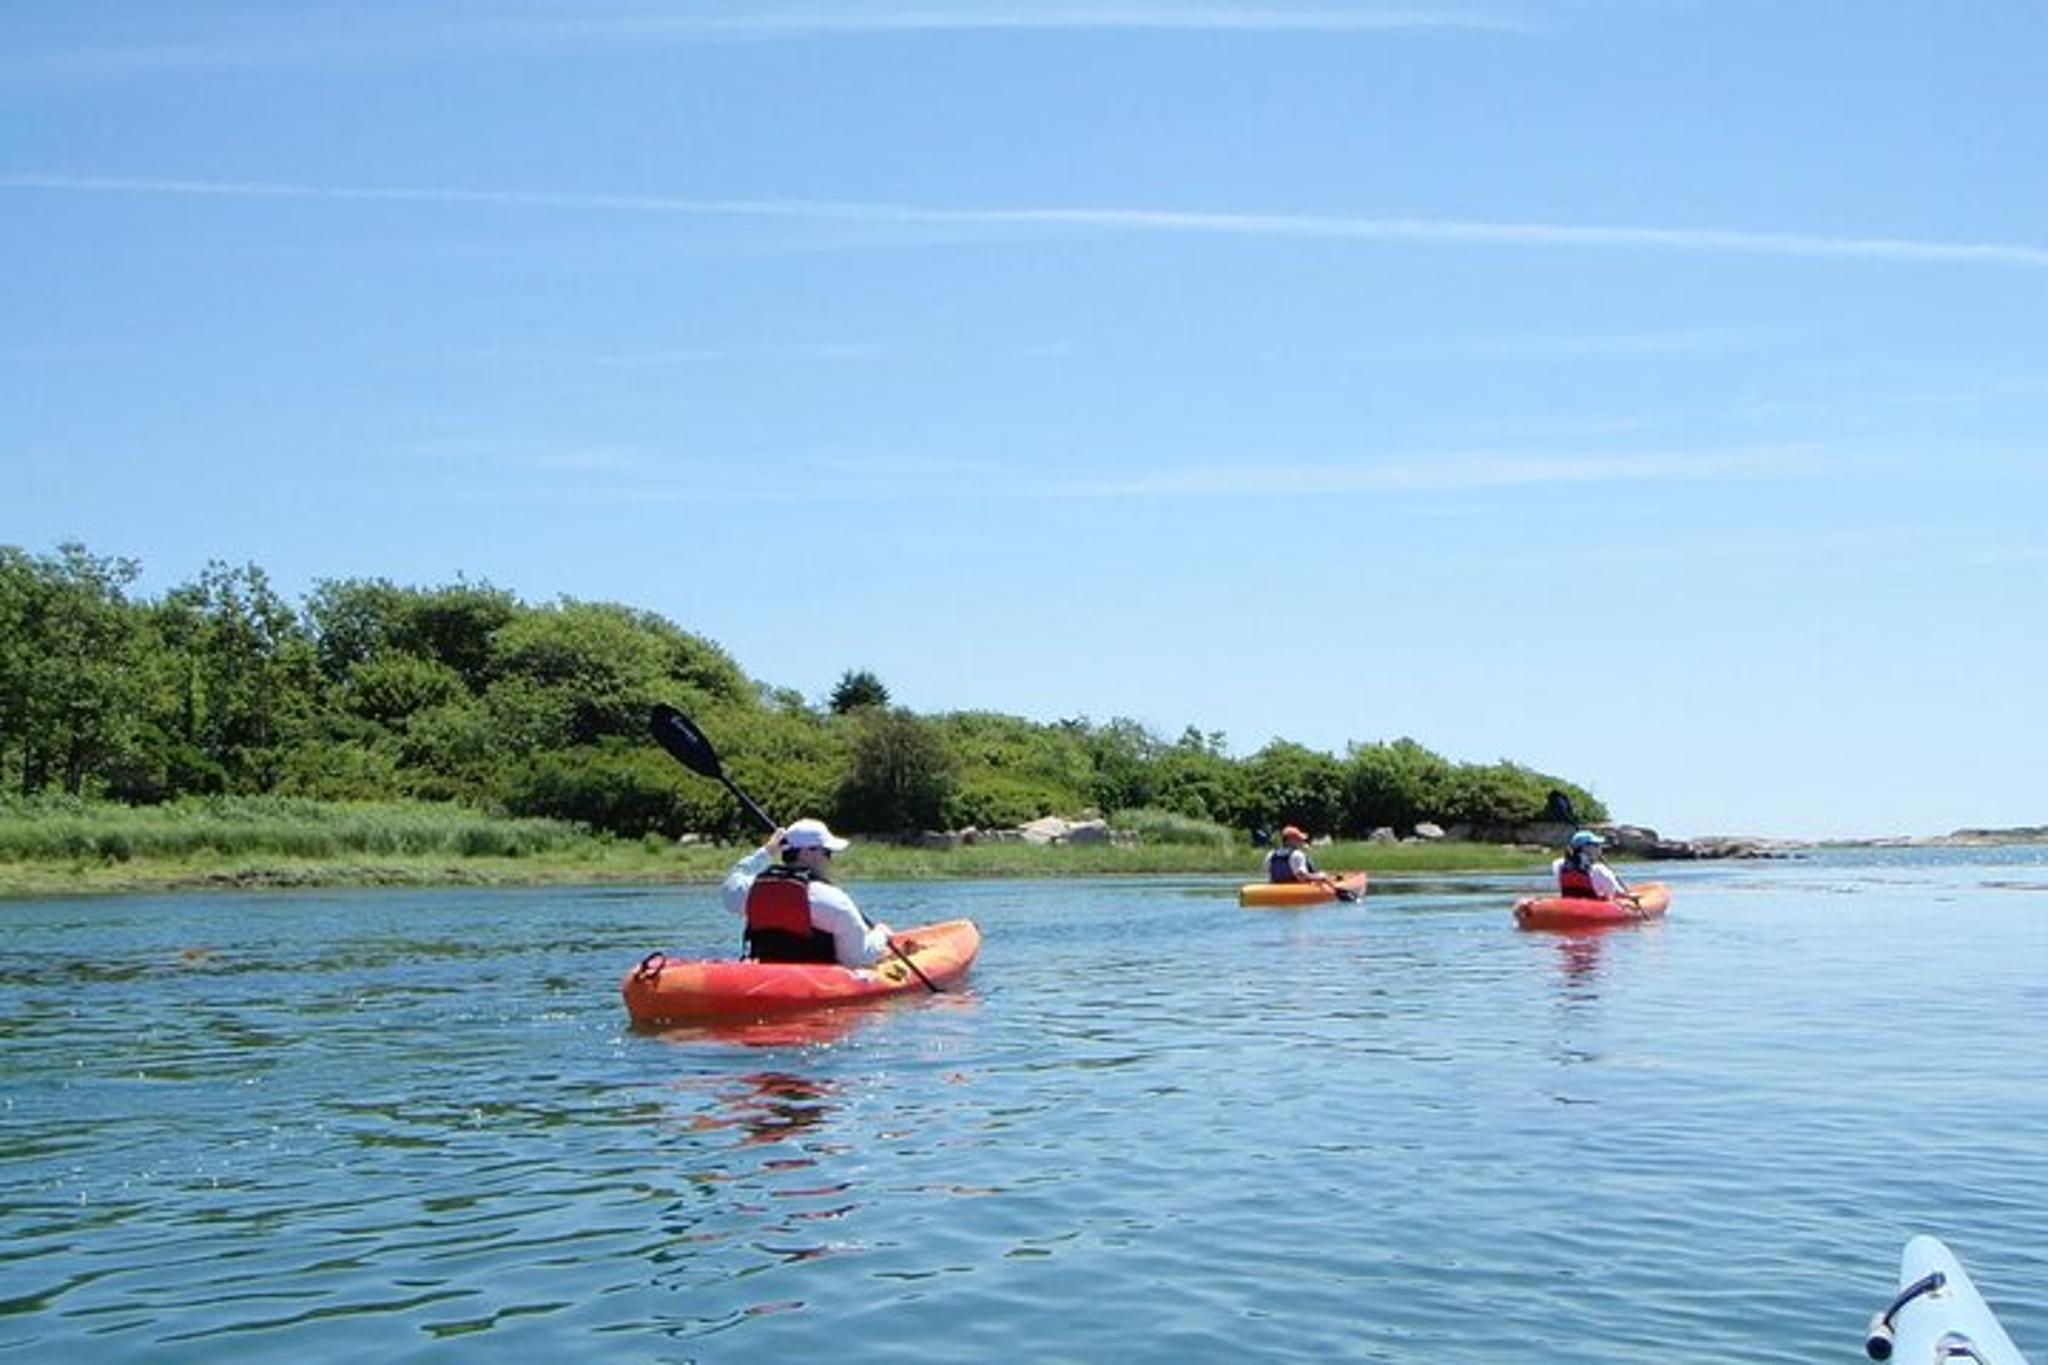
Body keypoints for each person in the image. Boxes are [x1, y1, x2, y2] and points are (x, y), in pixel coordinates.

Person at [720, 817, 895, 967]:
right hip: (819, 982)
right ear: (806, 853)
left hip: (768, 972)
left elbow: (732, 881)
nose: (829, 860)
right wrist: (881, 936)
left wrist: (767, 851)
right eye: (827, 852)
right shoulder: (832, 899)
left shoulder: (753, 890)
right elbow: (857, 958)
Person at [1551, 829, 1637, 904]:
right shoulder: (1599, 869)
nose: (1600, 849)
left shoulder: (1558, 864)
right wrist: (1630, 896)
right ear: (1585, 848)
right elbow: (1616, 894)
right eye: (1596, 845)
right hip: (1595, 908)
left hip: (1569, 905)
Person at [1264, 825, 1337, 887]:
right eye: (1298, 839)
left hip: (1276, 891)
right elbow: (1303, 877)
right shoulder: (1297, 855)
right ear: (1290, 840)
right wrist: (1321, 877)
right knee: (1322, 874)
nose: (1301, 841)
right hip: (1295, 891)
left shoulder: (1270, 855)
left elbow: (1270, 877)